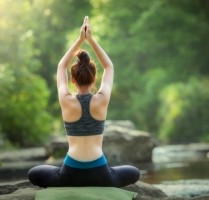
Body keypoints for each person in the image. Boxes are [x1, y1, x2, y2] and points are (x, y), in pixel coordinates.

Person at [28, 16, 140, 187]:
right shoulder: (102, 99)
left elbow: (61, 67)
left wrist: (80, 40)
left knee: (34, 173)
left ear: (72, 80)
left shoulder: (66, 100)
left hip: (70, 173)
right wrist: (91, 40)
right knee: (134, 172)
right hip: (101, 174)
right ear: (94, 79)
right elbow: (109, 66)